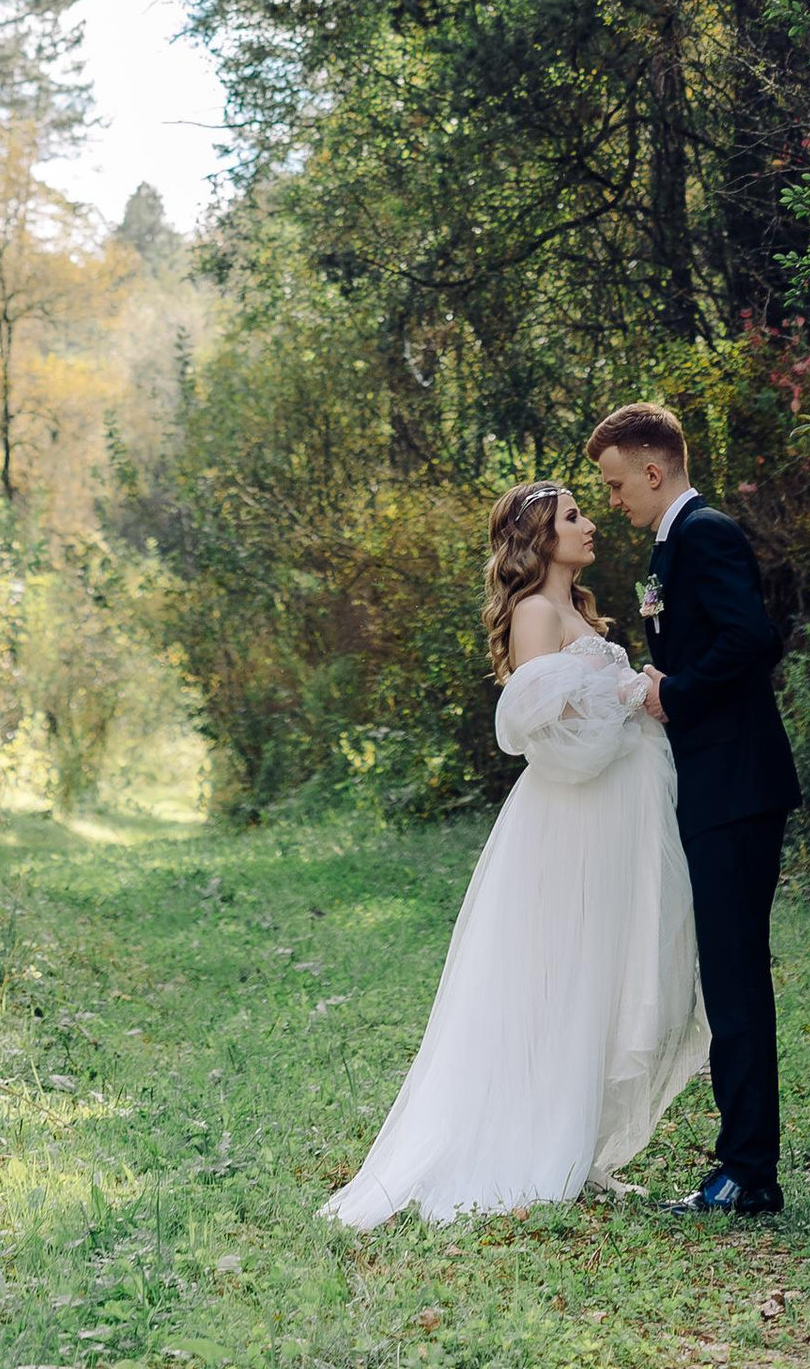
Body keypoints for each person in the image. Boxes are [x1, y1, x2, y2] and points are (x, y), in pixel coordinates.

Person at [322, 479, 709, 1225]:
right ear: (538, 536)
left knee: (595, 970)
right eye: (572, 516)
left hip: (612, 813)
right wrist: (628, 696)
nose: (589, 523)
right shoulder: (535, 611)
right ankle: (533, 1144)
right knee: (558, 970)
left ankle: (574, 1138)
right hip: (571, 815)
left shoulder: (578, 608)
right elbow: (543, 729)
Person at [588, 401, 799, 1219]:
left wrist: (671, 689)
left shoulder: (705, 532)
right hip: (717, 787)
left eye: (614, 482)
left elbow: (752, 638)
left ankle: (750, 1173)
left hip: (738, 788)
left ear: (652, 468)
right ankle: (744, 1165)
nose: (611, 498)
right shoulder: (668, 546)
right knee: (729, 976)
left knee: (736, 979)